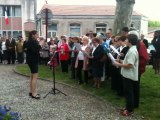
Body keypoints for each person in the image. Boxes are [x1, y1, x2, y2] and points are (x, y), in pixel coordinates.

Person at [113, 34, 139, 116]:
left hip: (129, 75)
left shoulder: (132, 51)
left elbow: (130, 65)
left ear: (130, 41)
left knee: (129, 93)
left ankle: (129, 110)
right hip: (127, 75)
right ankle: (128, 107)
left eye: (127, 40)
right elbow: (128, 62)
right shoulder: (131, 49)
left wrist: (118, 64)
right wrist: (120, 61)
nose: (125, 41)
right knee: (127, 92)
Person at [26, 30, 41, 99]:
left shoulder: (32, 41)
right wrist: (40, 44)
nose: (38, 35)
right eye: (36, 34)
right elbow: (35, 50)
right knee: (35, 77)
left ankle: (31, 91)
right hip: (33, 61)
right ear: (33, 35)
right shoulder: (31, 42)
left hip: (31, 60)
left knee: (32, 76)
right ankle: (33, 93)